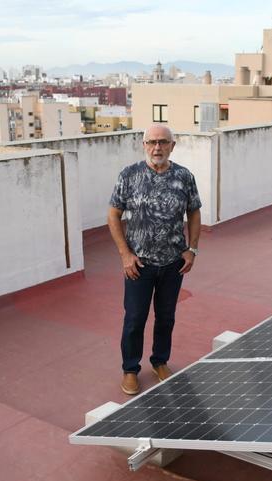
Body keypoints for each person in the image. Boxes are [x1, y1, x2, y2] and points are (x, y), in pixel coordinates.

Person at [107, 124, 202, 395]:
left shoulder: (184, 176)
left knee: (166, 316)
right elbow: (113, 215)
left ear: (173, 145)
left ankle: (160, 361)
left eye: (162, 142)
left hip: (173, 263)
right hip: (139, 265)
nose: (157, 147)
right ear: (144, 145)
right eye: (151, 142)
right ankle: (130, 369)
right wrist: (125, 255)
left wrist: (192, 249)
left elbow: (194, 212)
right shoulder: (129, 175)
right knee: (135, 318)